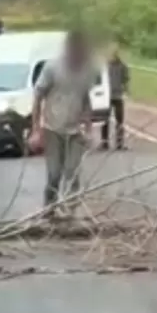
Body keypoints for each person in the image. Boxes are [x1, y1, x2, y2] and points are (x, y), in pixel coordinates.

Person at [28, 30, 97, 216]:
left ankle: (70, 212)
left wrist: (88, 129)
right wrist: (36, 130)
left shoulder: (85, 71)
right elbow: (38, 97)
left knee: (73, 173)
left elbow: (85, 100)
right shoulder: (52, 68)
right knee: (54, 173)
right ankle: (49, 208)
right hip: (52, 129)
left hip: (74, 131)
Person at [100, 47, 129, 150]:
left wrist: (125, 90)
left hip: (118, 95)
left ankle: (119, 142)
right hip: (107, 96)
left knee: (119, 120)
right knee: (105, 120)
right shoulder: (105, 66)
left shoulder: (122, 66)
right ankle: (104, 142)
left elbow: (126, 79)